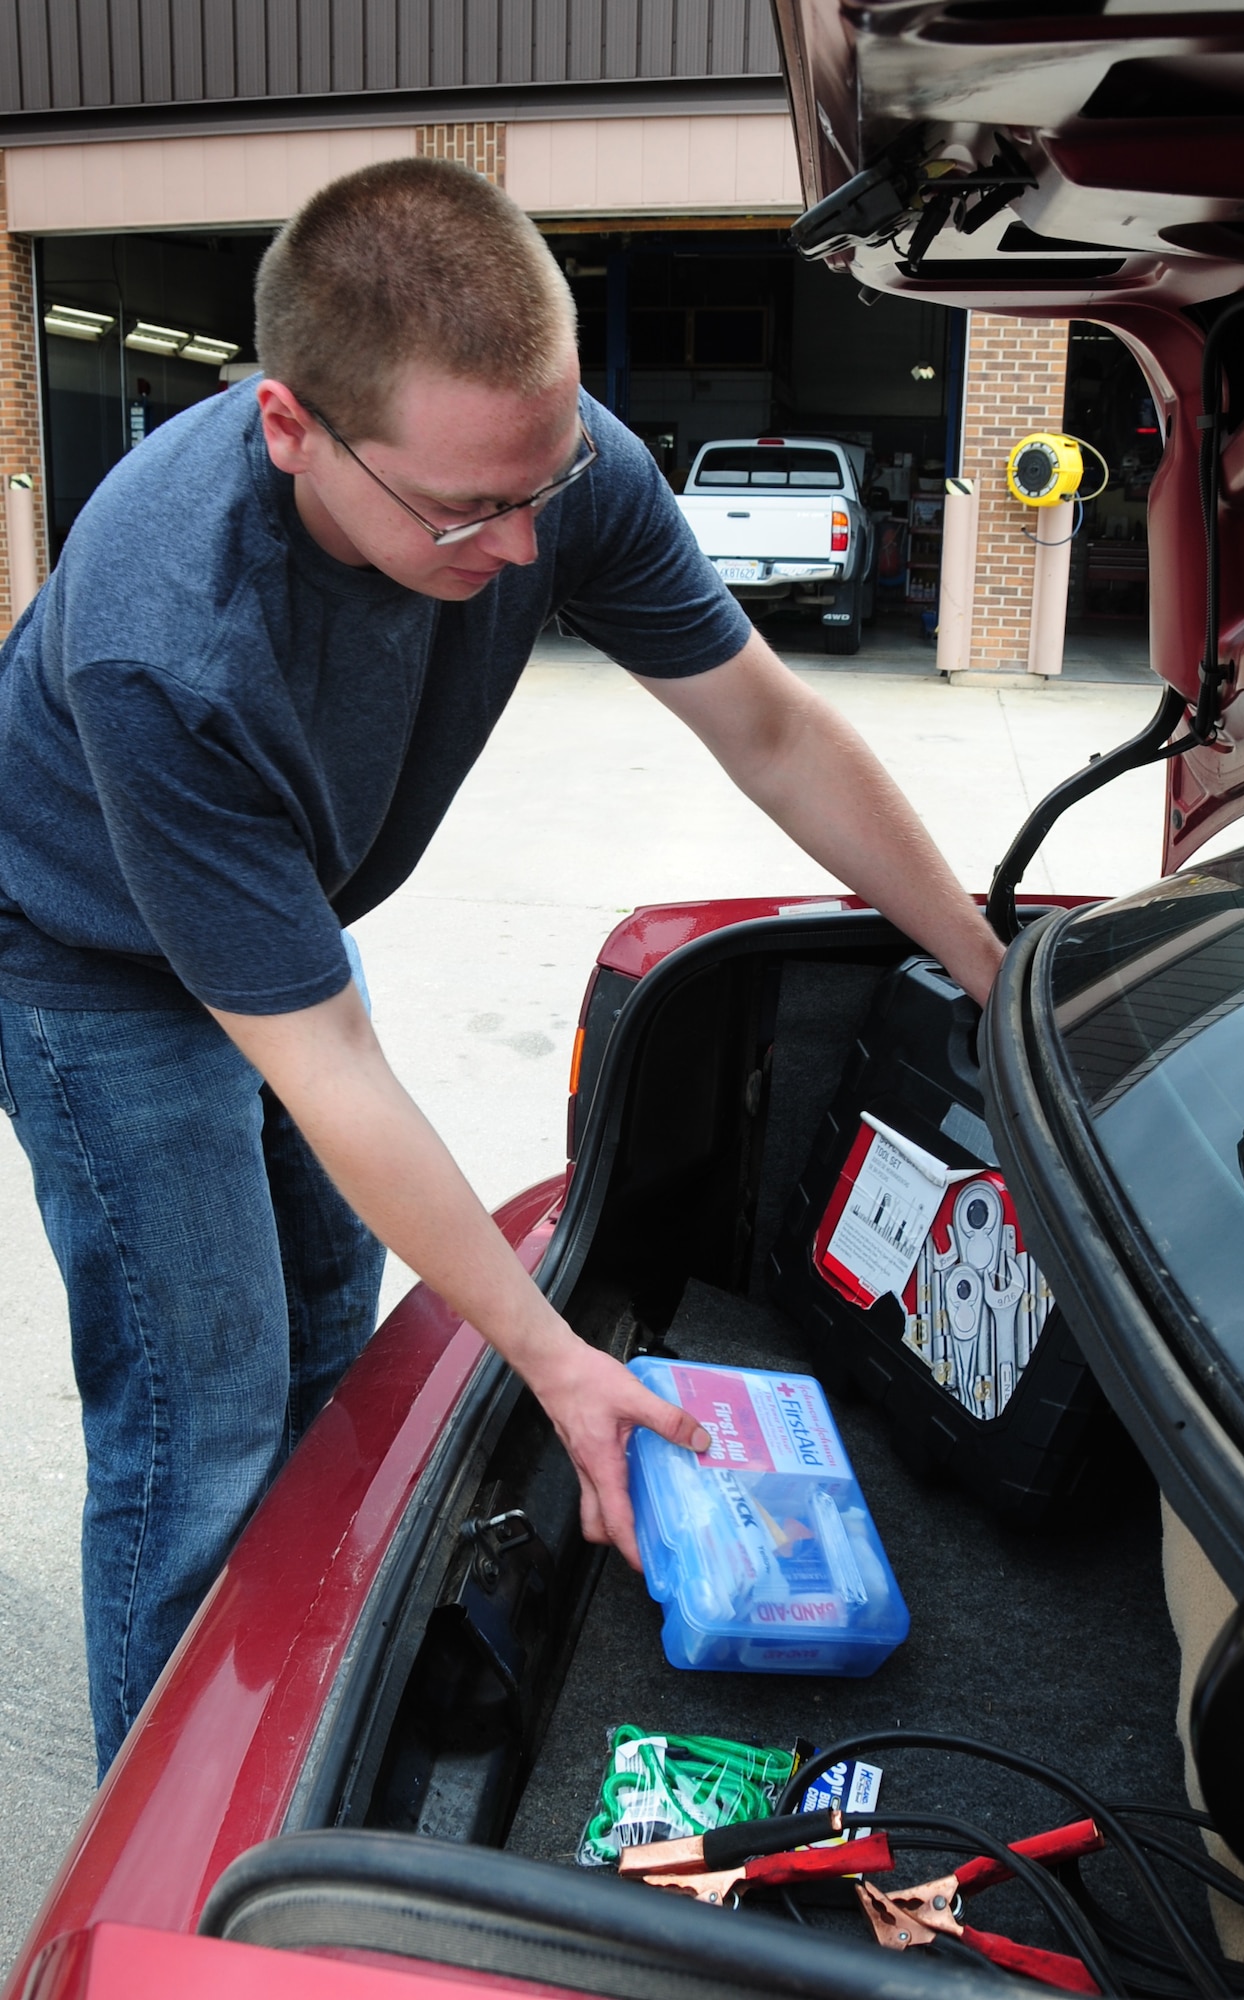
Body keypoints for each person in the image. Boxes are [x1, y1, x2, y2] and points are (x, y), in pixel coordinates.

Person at [0, 159, 1004, 1778]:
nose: (529, 544)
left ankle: (313, 1732)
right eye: (472, 508)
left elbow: (769, 724)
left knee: (335, 1320)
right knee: (206, 1418)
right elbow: (324, 1061)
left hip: (279, 920)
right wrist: (552, 1357)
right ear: (291, 431)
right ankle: (173, 1858)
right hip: (88, 959)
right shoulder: (163, 633)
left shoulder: (545, 466)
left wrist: (986, 966)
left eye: (546, 479)